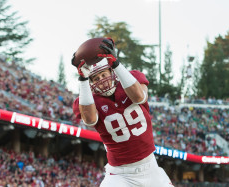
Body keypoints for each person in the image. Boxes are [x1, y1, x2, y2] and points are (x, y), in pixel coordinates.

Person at [72, 38, 174, 187]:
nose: (102, 80)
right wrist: (82, 79)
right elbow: (90, 120)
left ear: (112, 72)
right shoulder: (87, 100)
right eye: (96, 78)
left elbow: (139, 97)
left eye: (104, 74)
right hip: (121, 175)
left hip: (151, 169)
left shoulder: (132, 78)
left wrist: (116, 63)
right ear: (91, 83)